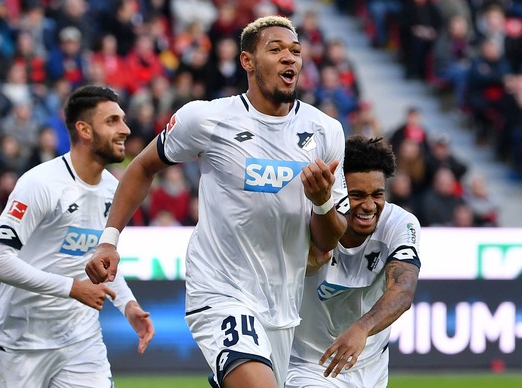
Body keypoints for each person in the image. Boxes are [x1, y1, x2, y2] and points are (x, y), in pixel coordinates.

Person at [85, 15, 349, 388]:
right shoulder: (206, 118)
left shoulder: (326, 131)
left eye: (295, 51)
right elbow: (142, 168)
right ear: (247, 61)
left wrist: (322, 202)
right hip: (220, 290)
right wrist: (109, 240)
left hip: (282, 303)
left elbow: (328, 241)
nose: (289, 58)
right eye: (275, 50)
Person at [0, 85, 154, 387]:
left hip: (81, 341)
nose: (125, 129)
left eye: (123, 120)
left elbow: (101, 261)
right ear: (84, 129)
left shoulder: (114, 191)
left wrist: (127, 305)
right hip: (22, 343)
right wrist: (73, 288)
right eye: (112, 121)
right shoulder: (40, 183)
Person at [286, 135, 421, 388]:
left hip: (372, 366)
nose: (369, 206)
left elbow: (403, 289)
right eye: (357, 195)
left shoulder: (400, 223)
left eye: (377, 195)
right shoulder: (307, 219)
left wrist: (362, 328)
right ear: (337, 191)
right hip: (308, 365)